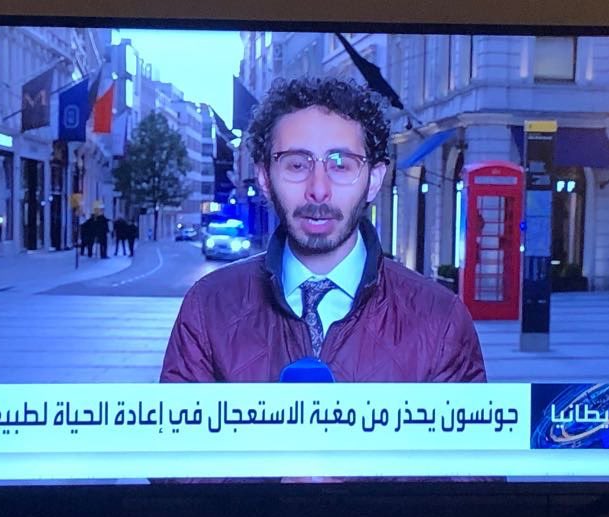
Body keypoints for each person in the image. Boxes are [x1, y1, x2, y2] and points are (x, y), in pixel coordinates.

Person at [160, 77, 486, 383]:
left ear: (374, 179)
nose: (318, 190)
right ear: (264, 178)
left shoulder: (441, 320)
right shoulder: (208, 308)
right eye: (297, 164)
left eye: (341, 165)